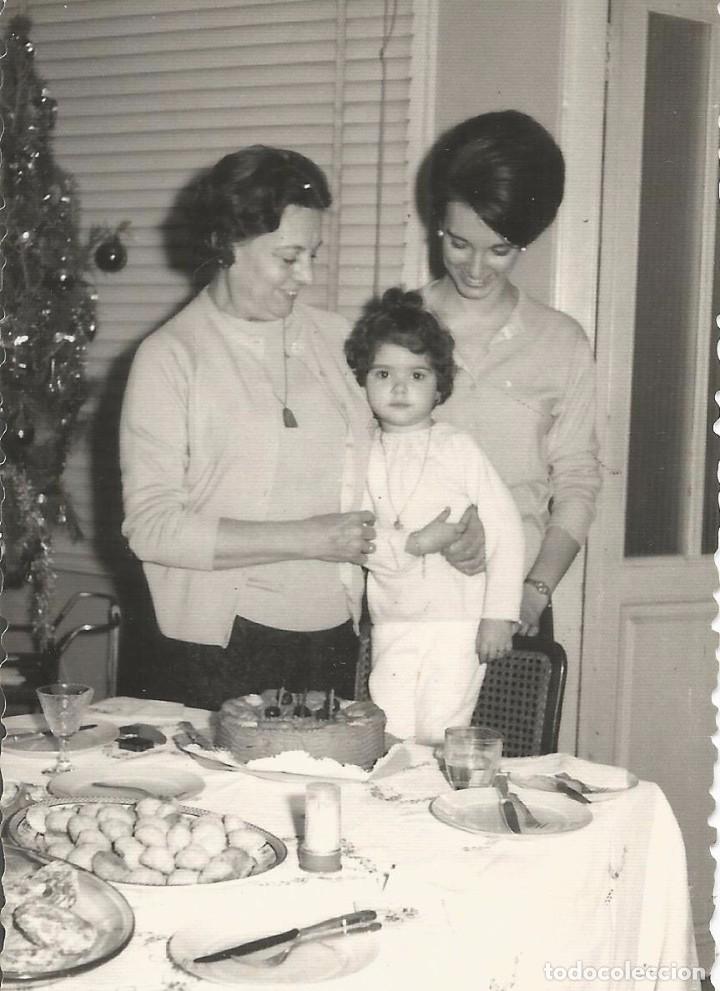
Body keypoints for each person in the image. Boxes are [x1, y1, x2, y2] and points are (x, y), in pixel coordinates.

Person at [119, 145, 483, 710]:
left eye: (312, 255)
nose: (306, 277)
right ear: (227, 244)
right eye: (288, 258)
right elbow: (151, 526)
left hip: (333, 631)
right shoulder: (170, 356)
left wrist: (465, 518)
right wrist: (308, 537)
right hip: (218, 643)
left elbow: (414, 442)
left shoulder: (338, 340)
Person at [418, 110, 601, 637]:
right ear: (438, 225)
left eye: (499, 250)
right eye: (458, 244)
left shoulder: (561, 342)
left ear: (525, 240)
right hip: (405, 598)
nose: (476, 270)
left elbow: (577, 481)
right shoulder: (396, 328)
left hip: (515, 605)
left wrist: (534, 592)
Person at [345, 288, 524, 743]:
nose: (400, 388)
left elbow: (505, 527)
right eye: (384, 373)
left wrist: (499, 614)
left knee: (443, 729)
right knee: (390, 729)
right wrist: (415, 544)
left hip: (458, 621)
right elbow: (358, 537)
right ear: (363, 381)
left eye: (417, 374)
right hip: (393, 619)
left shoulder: (457, 448)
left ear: (440, 385)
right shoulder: (360, 456)